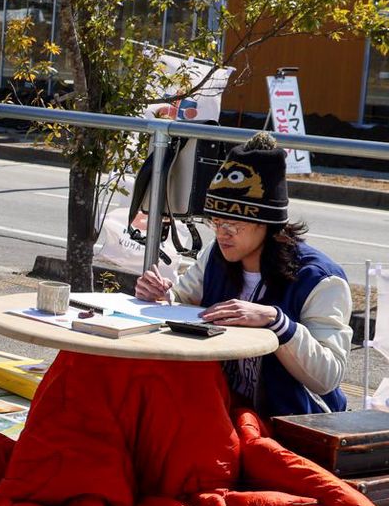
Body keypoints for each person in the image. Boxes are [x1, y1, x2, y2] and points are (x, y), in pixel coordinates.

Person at [135, 132, 352, 417]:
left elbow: (327, 377)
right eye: (215, 222)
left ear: (267, 223)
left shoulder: (320, 279)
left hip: (293, 420)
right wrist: (163, 297)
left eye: (233, 225)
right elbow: (181, 301)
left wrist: (277, 323)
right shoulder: (216, 255)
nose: (222, 233)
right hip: (222, 405)